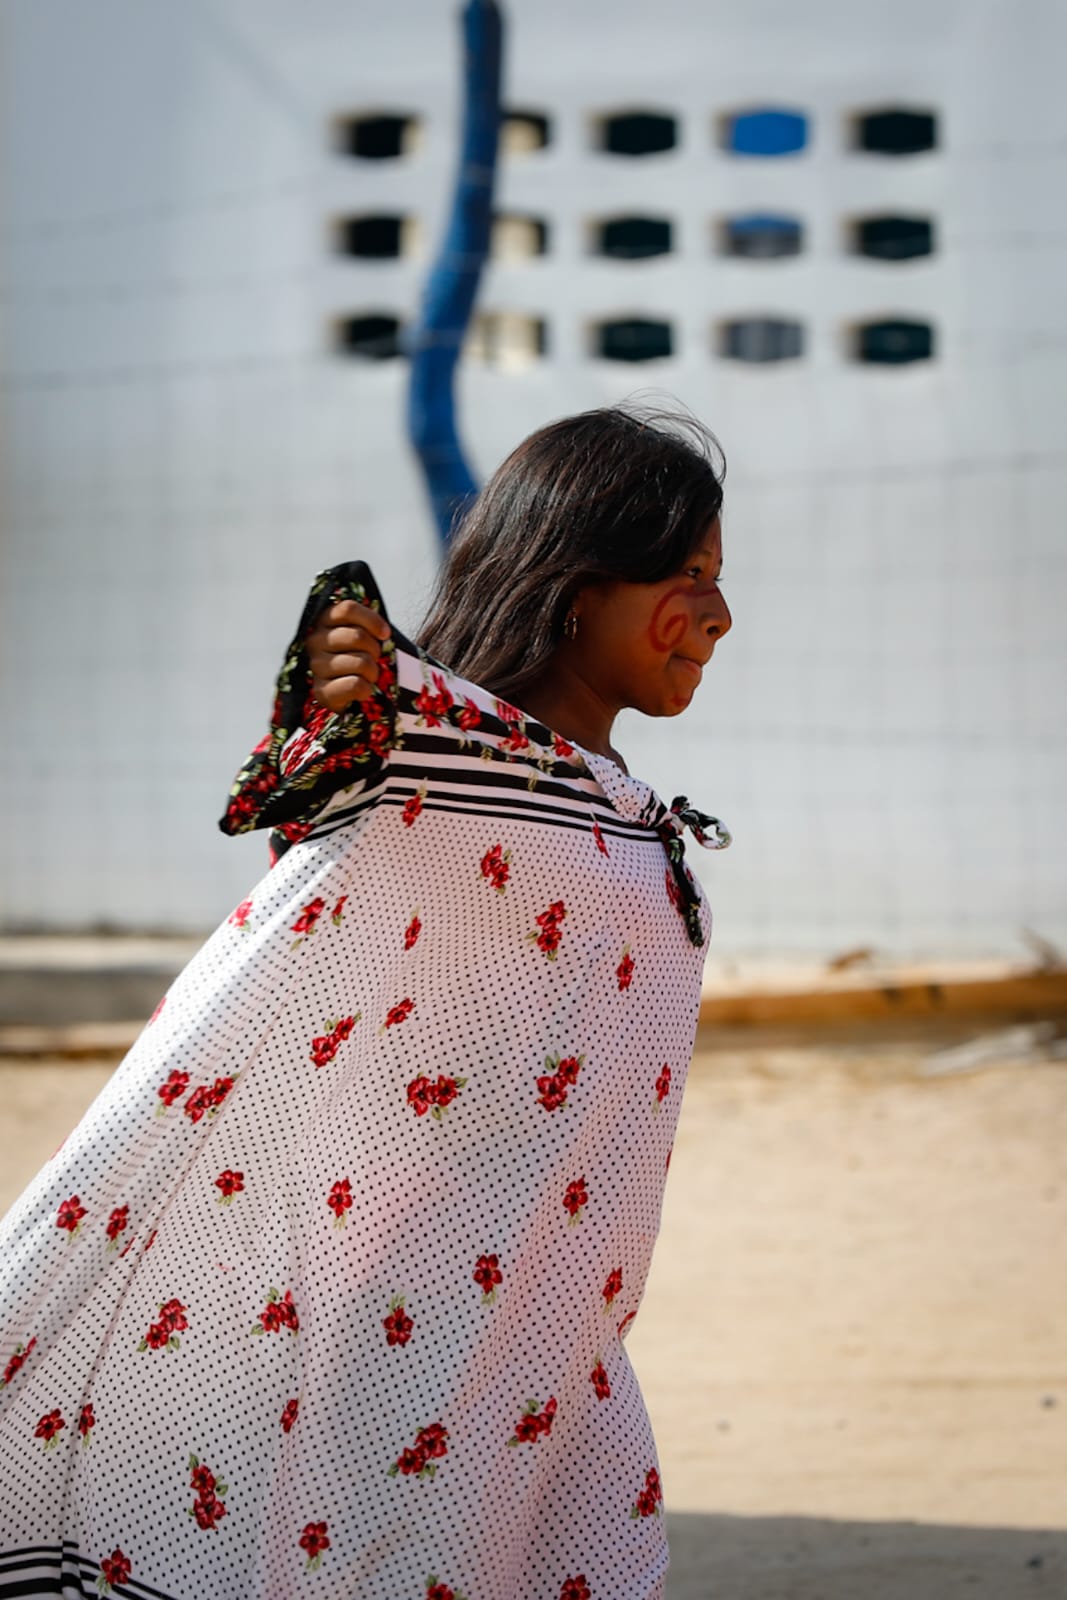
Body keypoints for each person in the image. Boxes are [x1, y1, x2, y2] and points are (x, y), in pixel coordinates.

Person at [0, 404, 732, 1600]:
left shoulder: (601, 798)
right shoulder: (438, 760)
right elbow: (329, 783)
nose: (717, 612)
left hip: (552, 1328)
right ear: (577, 584)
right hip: (410, 1318)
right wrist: (340, 690)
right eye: (686, 575)